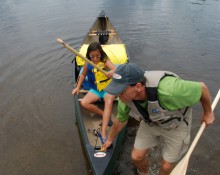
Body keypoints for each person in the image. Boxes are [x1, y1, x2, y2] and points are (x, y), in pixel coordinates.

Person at [102, 63, 215, 175]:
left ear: (138, 87)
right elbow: (120, 121)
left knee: (166, 166)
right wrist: (109, 140)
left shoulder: (170, 90)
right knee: (136, 157)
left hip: (175, 124)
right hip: (151, 123)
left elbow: (202, 88)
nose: (118, 96)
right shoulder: (125, 100)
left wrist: (208, 112)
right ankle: (145, 173)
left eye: (121, 91)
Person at [72, 42, 116, 143]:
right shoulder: (87, 63)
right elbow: (82, 75)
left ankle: (103, 131)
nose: (95, 59)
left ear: (101, 54)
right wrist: (77, 87)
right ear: (89, 55)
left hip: (108, 89)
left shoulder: (105, 61)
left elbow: (116, 70)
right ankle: (104, 114)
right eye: (92, 56)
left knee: (108, 103)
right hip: (96, 89)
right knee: (83, 103)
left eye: (97, 56)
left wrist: (111, 72)